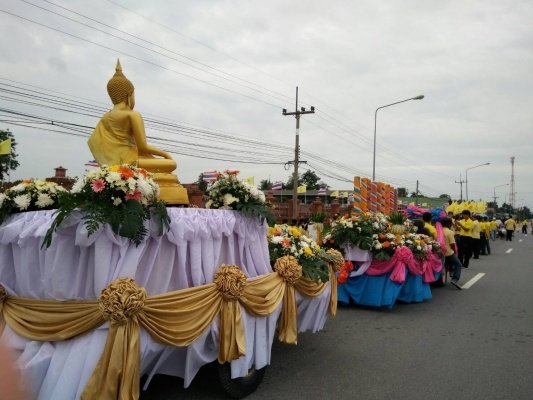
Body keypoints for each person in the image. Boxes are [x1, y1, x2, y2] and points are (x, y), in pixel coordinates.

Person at [88, 59, 188, 204]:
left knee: (157, 167)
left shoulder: (105, 117)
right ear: (129, 94)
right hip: (132, 163)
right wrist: (165, 154)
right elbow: (143, 147)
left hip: (115, 165)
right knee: (171, 164)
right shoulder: (132, 115)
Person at [442, 218, 462, 289]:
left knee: (444, 265)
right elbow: (453, 244)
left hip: (440, 252)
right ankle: (455, 279)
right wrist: (455, 251)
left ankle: (450, 272)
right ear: (449, 224)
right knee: (458, 264)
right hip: (448, 252)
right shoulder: (450, 232)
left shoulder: (438, 230)